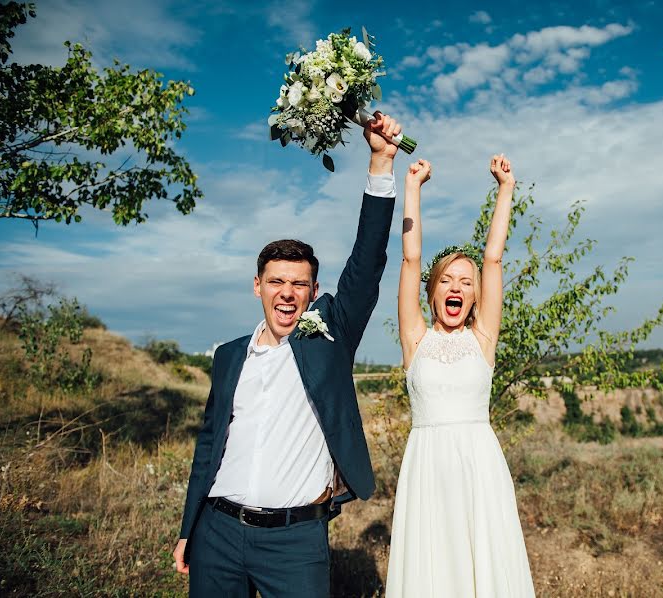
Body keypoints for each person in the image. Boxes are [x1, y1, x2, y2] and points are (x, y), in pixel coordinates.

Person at [172, 113, 404, 597]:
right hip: (216, 532)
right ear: (257, 286)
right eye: (276, 281)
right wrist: (188, 526)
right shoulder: (229, 355)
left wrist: (380, 163)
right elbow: (208, 446)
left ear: (314, 290)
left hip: (295, 542)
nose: (287, 293)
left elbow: (366, 264)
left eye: (300, 284)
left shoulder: (328, 338)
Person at [386, 154, 535, 596]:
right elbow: (410, 262)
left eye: (465, 282)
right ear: (433, 293)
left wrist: (505, 189)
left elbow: (493, 260)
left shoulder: (483, 337)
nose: (456, 287)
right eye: (447, 280)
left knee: (482, 565)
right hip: (427, 467)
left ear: (474, 297)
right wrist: (412, 187)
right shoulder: (415, 338)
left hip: (479, 465)